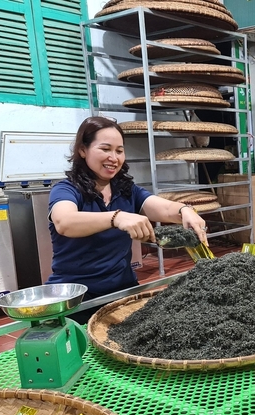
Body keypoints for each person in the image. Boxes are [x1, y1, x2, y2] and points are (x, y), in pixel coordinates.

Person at [47, 116, 209, 319]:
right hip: (76, 298)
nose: (114, 158)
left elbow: (165, 208)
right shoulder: (66, 190)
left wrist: (185, 210)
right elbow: (64, 222)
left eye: (119, 150)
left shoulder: (125, 190)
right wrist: (116, 218)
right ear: (83, 150)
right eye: (105, 149)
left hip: (121, 292)